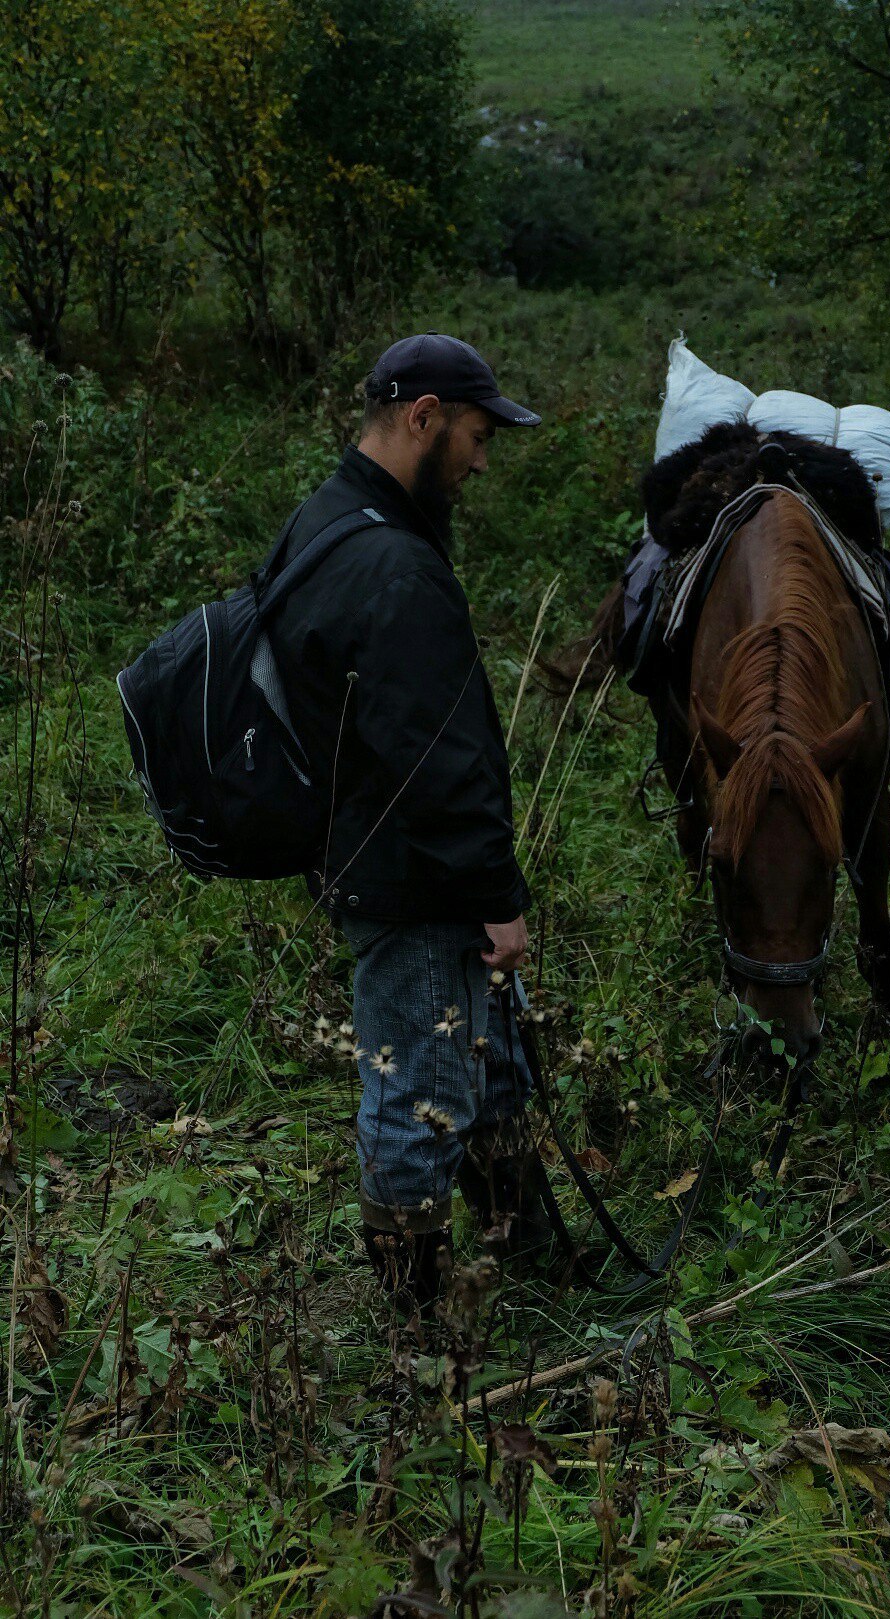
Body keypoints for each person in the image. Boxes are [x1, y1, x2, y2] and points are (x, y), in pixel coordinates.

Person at [267, 332, 551, 1313]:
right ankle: (413, 1337)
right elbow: (437, 762)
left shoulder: (325, 519)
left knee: (485, 1067)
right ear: (423, 416)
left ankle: (530, 1250)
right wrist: (496, 898)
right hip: (414, 879)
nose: (479, 461)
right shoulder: (393, 568)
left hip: (369, 855)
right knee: (416, 1095)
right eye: (475, 435)